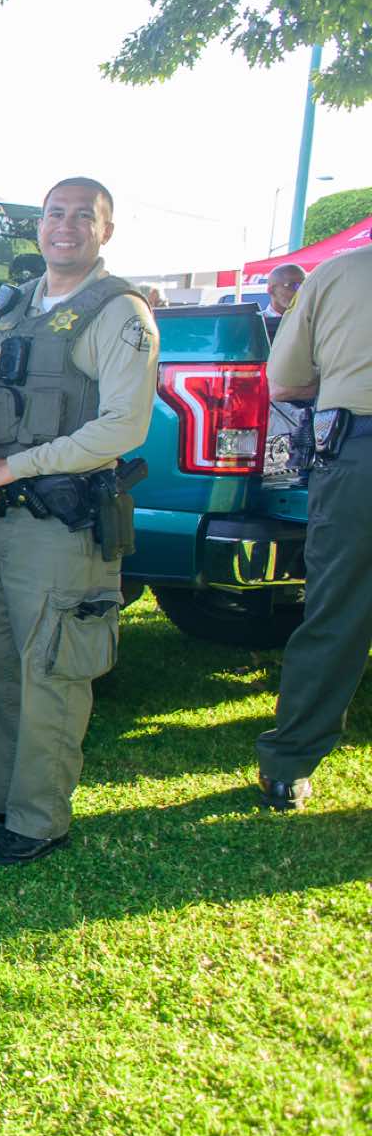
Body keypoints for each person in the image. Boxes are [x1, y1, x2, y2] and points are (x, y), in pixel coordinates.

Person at [0, 177, 159, 864]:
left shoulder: (119, 313)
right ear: (39, 226)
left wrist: (16, 467)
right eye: (55, 213)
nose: (65, 226)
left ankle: (38, 820)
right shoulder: (13, 306)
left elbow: (124, 426)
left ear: (105, 231)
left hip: (61, 528)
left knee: (53, 671)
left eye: (83, 216)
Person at [254, 244, 372, 808]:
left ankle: (290, 763)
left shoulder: (338, 272)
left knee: (338, 611)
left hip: (359, 454)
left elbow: (285, 380)